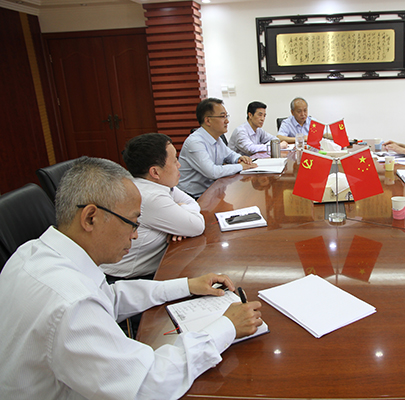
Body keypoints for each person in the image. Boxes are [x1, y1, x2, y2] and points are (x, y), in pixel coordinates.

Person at [0, 157, 263, 400]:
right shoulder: (71, 303)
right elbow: (149, 385)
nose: (135, 235)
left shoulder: (32, 252)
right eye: (133, 222)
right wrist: (227, 327)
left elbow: (109, 297)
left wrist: (187, 285)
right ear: (90, 218)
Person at [100, 133, 205, 280]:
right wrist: (181, 218)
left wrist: (180, 215)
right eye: (174, 161)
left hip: (148, 269)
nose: (179, 165)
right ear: (155, 172)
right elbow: (197, 226)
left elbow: (192, 202)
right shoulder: (150, 196)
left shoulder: (154, 184)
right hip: (127, 280)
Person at [178, 98, 256, 198]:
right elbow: (212, 172)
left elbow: (230, 155)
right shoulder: (195, 142)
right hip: (193, 197)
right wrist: (241, 166)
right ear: (208, 120)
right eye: (222, 116)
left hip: (211, 192)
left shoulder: (217, 138)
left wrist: (239, 158)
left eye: (226, 116)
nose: (227, 121)